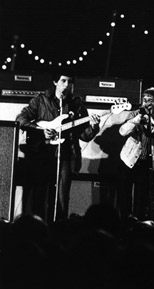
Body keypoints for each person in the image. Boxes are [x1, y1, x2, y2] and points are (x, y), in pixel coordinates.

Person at [16, 69, 101, 223]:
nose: (66, 85)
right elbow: (21, 119)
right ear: (55, 82)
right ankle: (38, 229)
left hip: (66, 155)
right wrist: (41, 131)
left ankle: (58, 228)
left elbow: (84, 135)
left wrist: (94, 126)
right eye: (63, 81)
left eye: (69, 82)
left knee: (62, 197)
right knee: (40, 194)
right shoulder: (41, 100)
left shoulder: (77, 106)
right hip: (42, 154)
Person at [117, 87, 154, 222]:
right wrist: (137, 119)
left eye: (150, 100)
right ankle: (123, 222)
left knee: (141, 198)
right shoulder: (133, 115)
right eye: (144, 100)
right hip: (128, 160)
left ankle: (138, 225)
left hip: (146, 162)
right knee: (124, 195)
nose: (146, 103)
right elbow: (122, 131)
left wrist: (152, 118)